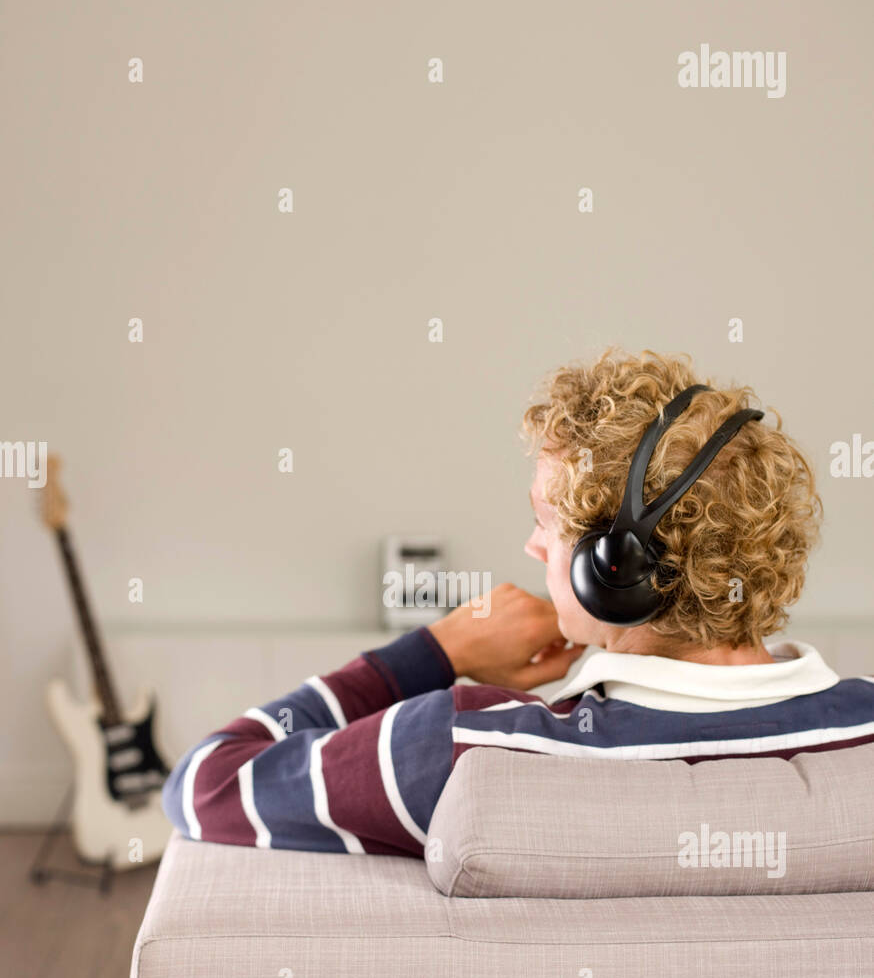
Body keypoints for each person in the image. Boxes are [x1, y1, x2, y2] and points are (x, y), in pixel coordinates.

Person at [161, 349, 874, 856]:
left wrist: (435, 653)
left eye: (546, 522)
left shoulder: (466, 751)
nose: (532, 546)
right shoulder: (862, 732)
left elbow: (207, 784)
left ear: (616, 565)